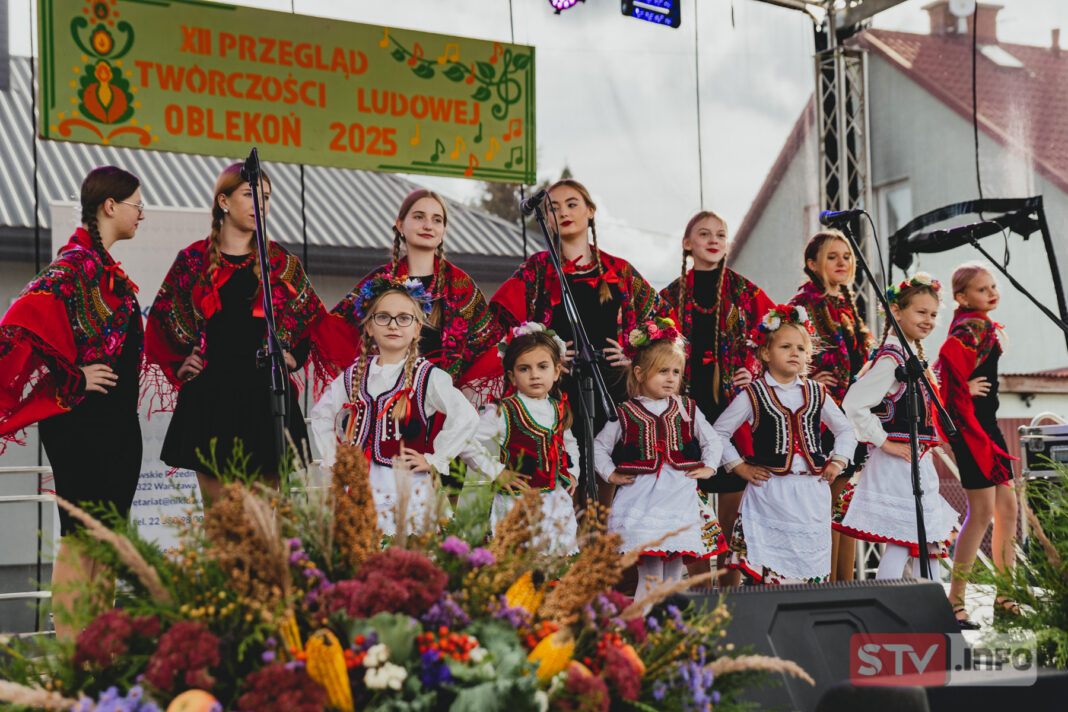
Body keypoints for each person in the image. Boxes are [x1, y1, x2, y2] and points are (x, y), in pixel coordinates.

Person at [0, 166, 144, 639]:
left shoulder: (105, 272)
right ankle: (71, 653)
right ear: (109, 206)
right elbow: (17, 325)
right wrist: (72, 377)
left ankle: (95, 648)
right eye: (135, 204)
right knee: (82, 539)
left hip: (116, 425)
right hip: (83, 426)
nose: (140, 213)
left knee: (105, 540)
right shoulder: (72, 267)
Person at [146, 163, 324, 503]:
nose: (261, 203)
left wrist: (293, 357)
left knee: (263, 527)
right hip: (211, 400)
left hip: (266, 397)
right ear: (224, 202)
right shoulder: (193, 260)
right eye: (251, 194)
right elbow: (162, 318)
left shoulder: (282, 263)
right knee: (222, 525)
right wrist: (180, 363)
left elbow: (308, 318)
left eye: (266, 197)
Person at [491, 179, 675, 501]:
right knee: (568, 476)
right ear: (546, 220)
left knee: (611, 480)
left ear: (590, 212)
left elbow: (664, 320)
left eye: (572, 204)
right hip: (558, 391)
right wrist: (545, 353)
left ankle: (602, 547)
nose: (563, 212)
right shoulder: (536, 270)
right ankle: (574, 548)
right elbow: (501, 322)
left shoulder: (619, 270)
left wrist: (635, 356)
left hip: (612, 388)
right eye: (553, 208)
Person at [311, 277, 478, 535]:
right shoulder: (353, 375)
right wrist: (334, 457)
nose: (393, 325)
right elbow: (322, 414)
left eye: (403, 318)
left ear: (417, 329)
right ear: (368, 327)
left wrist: (436, 458)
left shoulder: (428, 376)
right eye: (383, 317)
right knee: (360, 547)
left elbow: (465, 416)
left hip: (407, 484)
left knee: (407, 547)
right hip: (360, 482)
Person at [660, 210, 773, 584]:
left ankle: (731, 605)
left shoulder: (746, 292)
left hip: (732, 415)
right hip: (684, 414)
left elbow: (778, 332)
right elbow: (648, 343)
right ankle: (700, 597)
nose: (713, 240)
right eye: (704, 233)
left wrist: (755, 370)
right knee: (691, 515)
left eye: (721, 235)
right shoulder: (670, 297)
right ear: (687, 243)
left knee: (730, 520)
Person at [714, 304, 857, 585]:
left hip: (810, 492)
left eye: (802, 348)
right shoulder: (754, 393)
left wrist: (838, 461)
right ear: (765, 353)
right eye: (786, 346)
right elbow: (718, 433)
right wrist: (739, 467)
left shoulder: (817, 392)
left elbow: (845, 430)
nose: (795, 353)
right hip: (771, 492)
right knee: (769, 570)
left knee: (807, 569)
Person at [837, 275, 959, 581]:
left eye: (933, 314)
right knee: (904, 540)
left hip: (915, 460)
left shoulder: (910, 356)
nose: (929, 320)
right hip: (896, 462)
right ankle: (891, 610)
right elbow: (853, 404)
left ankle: (925, 608)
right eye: (921, 312)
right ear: (896, 311)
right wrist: (885, 443)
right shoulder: (892, 359)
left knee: (925, 540)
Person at [594, 318, 724, 598]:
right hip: (643, 498)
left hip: (679, 496)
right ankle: (644, 629)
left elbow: (712, 439)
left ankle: (668, 628)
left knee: (674, 574)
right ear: (639, 373)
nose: (670, 378)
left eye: (676, 372)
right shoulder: (626, 412)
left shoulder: (687, 407)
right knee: (651, 574)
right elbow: (598, 447)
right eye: (662, 371)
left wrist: (709, 467)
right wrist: (611, 474)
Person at [330, 189, 498, 393]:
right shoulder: (379, 281)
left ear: (444, 229)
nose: (428, 225)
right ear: (400, 225)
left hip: (441, 406)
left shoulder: (461, 285)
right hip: (383, 399)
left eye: (437, 220)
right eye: (419, 217)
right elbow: (335, 327)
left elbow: (489, 346)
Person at [789, 229, 874, 581]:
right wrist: (810, 378)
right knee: (828, 503)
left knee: (845, 504)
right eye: (832, 257)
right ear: (812, 264)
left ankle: (846, 583)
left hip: (850, 414)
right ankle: (828, 584)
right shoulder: (802, 305)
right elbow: (785, 352)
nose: (842, 262)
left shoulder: (846, 305)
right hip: (821, 418)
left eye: (847, 256)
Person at [938, 264, 1018, 629]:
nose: (992, 293)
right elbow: (943, 369)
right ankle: (955, 600)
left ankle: (1005, 594)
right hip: (971, 431)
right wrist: (962, 392)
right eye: (983, 289)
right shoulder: (968, 327)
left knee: (1008, 510)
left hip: (988, 427)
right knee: (982, 513)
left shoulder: (980, 326)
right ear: (961, 297)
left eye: (993, 286)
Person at [468, 323, 579, 556]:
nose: (535, 374)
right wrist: (497, 471)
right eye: (524, 369)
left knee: (554, 562)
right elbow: (468, 443)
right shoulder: (502, 411)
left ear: (557, 371)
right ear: (512, 375)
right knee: (521, 565)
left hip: (554, 499)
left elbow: (568, 443)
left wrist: (573, 472)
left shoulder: (558, 407)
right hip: (516, 503)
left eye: (542, 366)